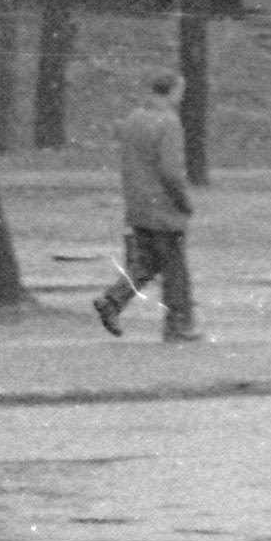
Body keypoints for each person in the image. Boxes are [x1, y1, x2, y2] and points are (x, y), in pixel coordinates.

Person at [92, 69, 200, 342]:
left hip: (138, 205)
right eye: (181, 91)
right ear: (173, 91)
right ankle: (178, 325)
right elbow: (171, 172)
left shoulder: (133, 119)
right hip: (163, 208)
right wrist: (184, 202)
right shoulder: (169, 123)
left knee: (147, 263)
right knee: (175, 269)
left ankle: (113, 301)